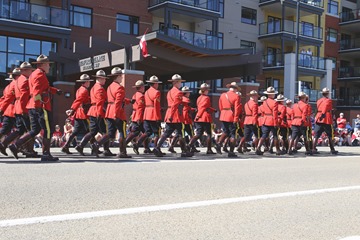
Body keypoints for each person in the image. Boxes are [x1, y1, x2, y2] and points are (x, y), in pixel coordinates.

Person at [9, 54, 62, 161]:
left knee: (35, 130)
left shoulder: (35, 74)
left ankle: (15, 145)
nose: (49, 67)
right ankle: (46, 154)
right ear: (43, 64)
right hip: (41, 105)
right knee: (48, 130)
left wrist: (55, 91)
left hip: (33, 105)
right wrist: (38, 105)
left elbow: (45, 88)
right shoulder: (40, 75)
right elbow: (36, 92)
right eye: (48, 64)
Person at [0, 62, 36, 157]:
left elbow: (6, 98)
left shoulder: (11, 85)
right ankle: (28, 150)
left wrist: (2, 108)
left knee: (20, 129)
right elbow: (21, 97)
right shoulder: (20, 82)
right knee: (29, 129)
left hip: (14, 108)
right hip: (18, 108)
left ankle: (8, 145)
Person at [75, 70, 113, 156]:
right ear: (100, 78)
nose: (105, 80)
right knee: (106, 132)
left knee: (93, 131)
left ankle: (81, 145)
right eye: (104, 79)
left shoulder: (93, 87)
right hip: (98, 111)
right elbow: (100, 102)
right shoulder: (100, 88)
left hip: (92, 111)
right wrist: (100, 113)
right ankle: (103, 148)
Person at [153, 74, 192, 158]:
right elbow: (175, 104)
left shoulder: (170, 92)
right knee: (181, 133)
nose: (181, 84)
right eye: (180, 82)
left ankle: (157, 147)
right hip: (176, 114)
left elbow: (173, 103)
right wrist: (172, 115)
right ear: (177, 82)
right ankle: (184, 151)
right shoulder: (178, 92)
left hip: (169, 112)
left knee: (166, 133)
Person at [96, 67, 132, 158]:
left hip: (109, 111)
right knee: (122, 132)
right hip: (117, 112)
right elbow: (118, 102)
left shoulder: (109, 86)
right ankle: (122, 152)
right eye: (121, 76)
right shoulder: (120, 87)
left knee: (110, 133)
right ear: (118, 76)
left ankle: (97, 145)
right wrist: (116, 114)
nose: (122, 78)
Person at [62, 74, 93, 154]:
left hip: (78, 113)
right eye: (88, 82)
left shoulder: (79, 89)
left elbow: (79, 100)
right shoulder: (84, 90)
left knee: (75, 131)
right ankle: (87, 147)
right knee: (90, 131)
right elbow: (79, 101)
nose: (89, 83)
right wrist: (72, 109)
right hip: (83, 113)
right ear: (86, 82)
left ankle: (66, 146)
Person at [132, 76, 163, 155]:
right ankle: (156, 148)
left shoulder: (146, 92)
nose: (158, 85)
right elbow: (156, 105)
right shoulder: (157, 92)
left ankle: (137, 144)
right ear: (155, 84)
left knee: (147, 132)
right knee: (157, 133)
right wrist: (158, 117)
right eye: (157, 83)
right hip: (153, 114)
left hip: (146, 114)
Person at [188, 83, 217, 154]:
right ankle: (209, 149)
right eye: (207, 90)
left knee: (198, 134)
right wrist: (199, 116)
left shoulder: (199, 98)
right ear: (205, 90)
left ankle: (189, 145)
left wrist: (213, 110)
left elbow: (204, 107)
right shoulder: (206, 98)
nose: (208, 91)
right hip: (204, 117)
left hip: (199, 117)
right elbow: (203, 108)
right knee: (209, 134)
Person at [216, 82, 241, 157]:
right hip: (231, 116)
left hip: (223, 115)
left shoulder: (223, 95)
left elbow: (220, 106)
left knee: (225, 131)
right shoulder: (236, 96)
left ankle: (219, 144)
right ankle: (231, 151)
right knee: (233, 134)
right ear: (235, 88)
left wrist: (223, 112)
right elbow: (237, 109)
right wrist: (236, 118)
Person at [312, 87, 338, 155]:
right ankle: (332, 149)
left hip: (319, 116)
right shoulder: (328, 100)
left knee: (316, 135)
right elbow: (325, 107)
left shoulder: (319, 100)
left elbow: (318, 108)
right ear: (327, 94)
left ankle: (313, 148)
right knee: (330, 134)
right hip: (326, 117)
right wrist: (323, 114)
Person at [256, 86, 281, 155]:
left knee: (264, 135)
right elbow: (275, 114)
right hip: (272, 120)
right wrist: (276, 123)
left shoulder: (264, 102)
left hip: (265, 119)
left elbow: (263, 111)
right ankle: (278, 150)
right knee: (275, 135)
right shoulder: (274, 102)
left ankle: (258, 148)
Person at [0, 69, 19, 154]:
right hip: (12, 110)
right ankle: (4, 144)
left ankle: (4, 144)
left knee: (6, 130)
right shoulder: (13, 85)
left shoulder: (8, 87)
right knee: (21, 129)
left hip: (8, 110)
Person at [126, 80, 147, 154]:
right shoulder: (141, 96)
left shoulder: (135, 95)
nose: (144, 88)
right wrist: (139, 118)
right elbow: (140, 108)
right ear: (141, 87)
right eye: (143, 86)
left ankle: (145, 147)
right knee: (137, 132)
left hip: (135, 114)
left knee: (143, 132)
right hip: (139, 116)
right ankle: (125, 144)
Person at [238, 90, 259, 154]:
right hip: (252, 120)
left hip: (246, 120)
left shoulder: (246, 104)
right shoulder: (254, 104)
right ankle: (257, 148)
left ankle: (240, 146)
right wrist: (255, 121)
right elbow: (255, 114)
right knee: (257, 135)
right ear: (254, 96)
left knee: (245, 136)